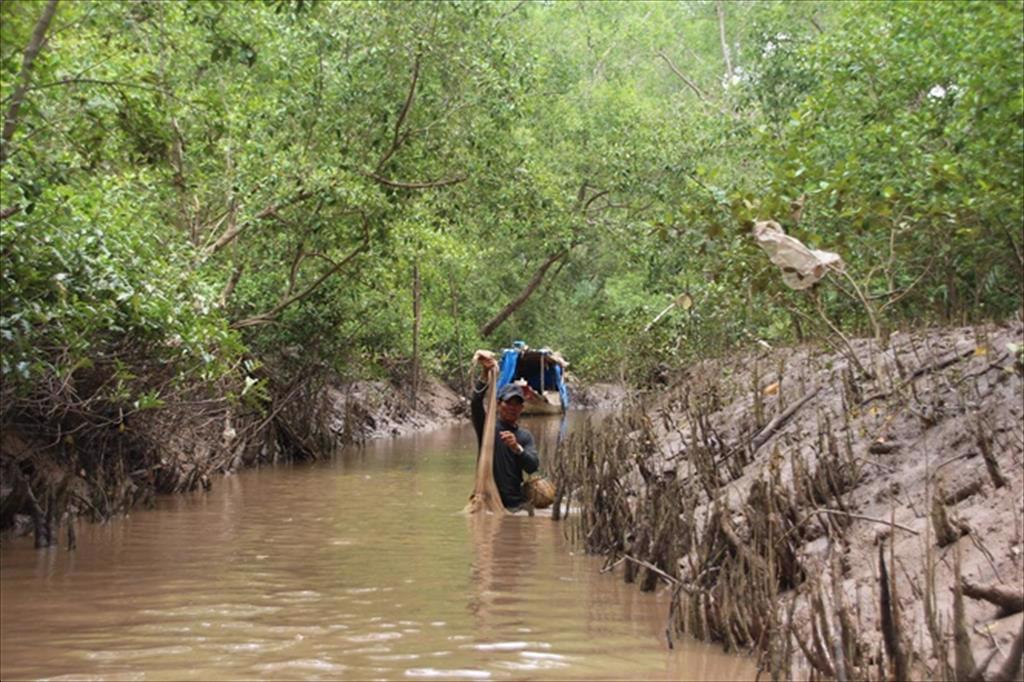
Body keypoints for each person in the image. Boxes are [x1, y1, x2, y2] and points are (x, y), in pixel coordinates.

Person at [471, 352, 540, 510]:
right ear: (498, 404)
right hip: (488, 501)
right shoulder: (488, 429)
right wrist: (484, 374)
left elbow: (533, 466)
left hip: (515, 504)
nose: (512, 408)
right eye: (508, 403)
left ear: (522, 408)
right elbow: (476, 403)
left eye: (517, 404)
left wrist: (517, 448)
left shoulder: (524, 436)